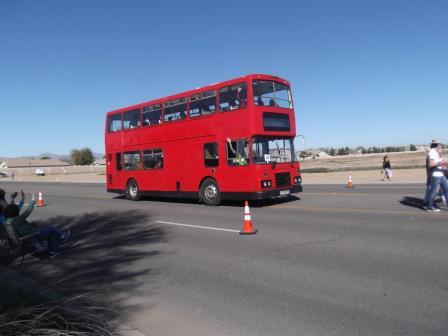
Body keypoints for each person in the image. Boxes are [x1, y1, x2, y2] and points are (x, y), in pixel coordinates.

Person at [3, 191, 69, 257]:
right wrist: (33, 199)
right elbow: (28, 211)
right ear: (15, 212)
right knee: (51, 228)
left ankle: (54, 251)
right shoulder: (18, 219)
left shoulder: (8, 221)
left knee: (51, 233)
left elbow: (11, 207)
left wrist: (15, 199)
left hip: (25, 238)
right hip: (32, 236)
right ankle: (62, 237)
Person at [425, 141, 448, 212]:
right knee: (433, 191)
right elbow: (431, 164)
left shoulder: (436, 152)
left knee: (446, 189)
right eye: (439, 145)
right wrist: (441, 162)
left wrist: (443, 162)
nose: (441, 147)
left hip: (440, 173)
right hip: (436, 174)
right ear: (436, 145)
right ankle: (429, 206)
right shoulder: (432, 152)